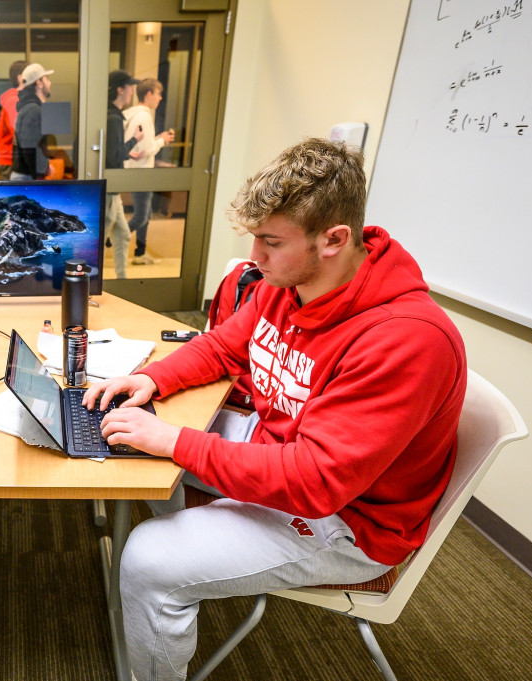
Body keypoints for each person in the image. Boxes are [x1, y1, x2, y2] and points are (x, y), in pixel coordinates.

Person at [82, 138, 467, 681]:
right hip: (283, 452)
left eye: (269, 242)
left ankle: (165, 600)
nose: (253, 259)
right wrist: (149, 377)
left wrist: (173, 441)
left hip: (349, 521)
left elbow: (315, 483)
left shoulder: (407, 340)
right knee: (131, 438)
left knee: (150, 558)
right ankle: (196, 560)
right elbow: (221, 346)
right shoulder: (289, 284)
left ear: (333, 240)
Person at [123, 78, 176, 265]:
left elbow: (141, 146)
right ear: (148, 94)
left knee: (145, 214)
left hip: (136, 172)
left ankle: (140, 253)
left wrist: (157, 139)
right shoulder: (144, 117)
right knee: (142, 216)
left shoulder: (131, 115)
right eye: (158, 94)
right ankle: (110, 240)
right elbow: (145, 151)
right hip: (142, 174)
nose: (160, 98)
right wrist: (162, 141)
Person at [105, 69, 144, 278]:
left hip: (113, 187)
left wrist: (128, 152)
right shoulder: (112, 118)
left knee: (122, 234)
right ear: (120, 89)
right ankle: (88, 281)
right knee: (100, 240)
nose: (132, 91)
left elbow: (113, 151)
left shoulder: (110, 115)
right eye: (130, 86)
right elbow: (113, 155)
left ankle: (122, 280)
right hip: (110, 188)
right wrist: (134, 140)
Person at [11, 62, 54, 180]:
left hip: (27, 175)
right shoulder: (32, 110)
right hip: (27, 177)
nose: (49, 83)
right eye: (47, 79)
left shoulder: (31, 108)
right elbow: (29, 146)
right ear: (39, 83)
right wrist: (44, 168)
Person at [0, 60, 27, 180]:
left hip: (14, 161)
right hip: (12, 162)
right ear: (21, 78)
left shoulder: (16, 100)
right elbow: (19, 132)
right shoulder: (14, 100)